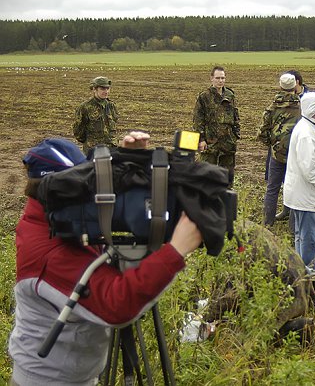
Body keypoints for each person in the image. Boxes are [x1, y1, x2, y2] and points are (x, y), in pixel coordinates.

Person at [9, 133, 204, 386]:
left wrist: (125, 164)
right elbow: (117, 306)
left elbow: (118, 265)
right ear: (56, 192)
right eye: (80, 184)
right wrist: (175, 251)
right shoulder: (48, 251)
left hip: (77, 375)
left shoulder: (64, 224)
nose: (87, 190)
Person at [283, 92, 315, 268]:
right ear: (313, 110)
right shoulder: (306, 133)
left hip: (301, 194)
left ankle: (300, 271)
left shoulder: (309, 128)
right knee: (309, 236)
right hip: (306, 195)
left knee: (301, 234)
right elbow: (309, 168)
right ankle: (312, 272)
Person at [257, 73, 301, 226]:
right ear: (294, 86)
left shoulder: (272, 107)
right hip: (296, 155)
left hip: (277, 155)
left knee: (272, 189)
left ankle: (267, 223)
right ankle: (294, 227)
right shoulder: (302, 106)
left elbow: (261, 133)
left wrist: (274, 144)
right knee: (295, 189)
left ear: (280, 86)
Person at [192, 66, 240, 182]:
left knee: (227, 177)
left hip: (227, 142)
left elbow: (235, 115)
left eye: (223, 78)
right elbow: (198, 120)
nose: (220, 81)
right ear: (211, 79)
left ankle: (224, 198)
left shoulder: (230, 95)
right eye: (218, 78)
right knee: (206, 174)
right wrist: (201, 139)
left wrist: (236, 134)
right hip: (210, 142)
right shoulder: (204, 96)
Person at [273, 69, 309, 222]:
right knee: (280, 184)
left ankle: (294, 220)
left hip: (297, 152)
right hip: (281, 150)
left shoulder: (307, 101)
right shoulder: (279, 103)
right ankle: (286, 212)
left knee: (295, 184)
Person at [73, 76, 119, 155]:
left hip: (111, 149)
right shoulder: (85, 107)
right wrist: (90, 143)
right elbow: (78, 131)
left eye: (108, 89)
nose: (106, 91)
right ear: (94, 89)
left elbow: (114, 125)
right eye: (102, 89)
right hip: (94, 151)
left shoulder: (111, 105)